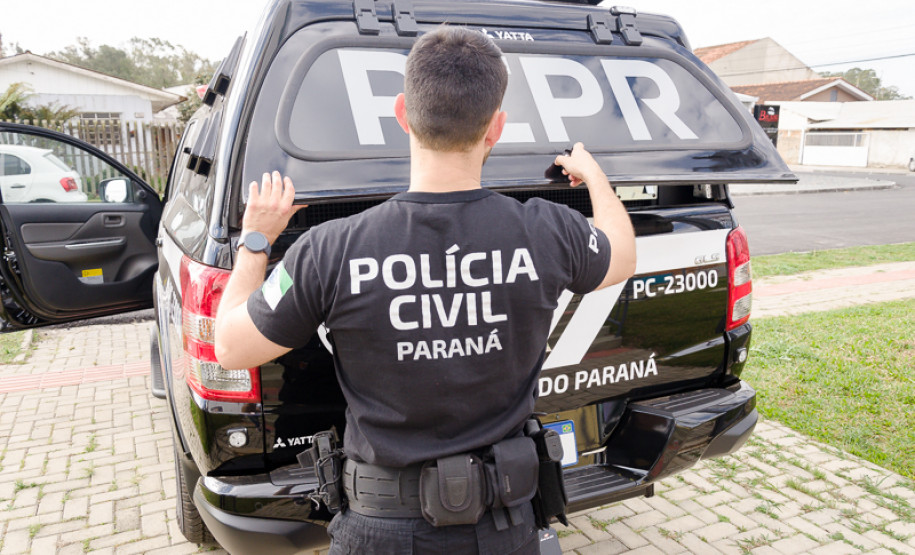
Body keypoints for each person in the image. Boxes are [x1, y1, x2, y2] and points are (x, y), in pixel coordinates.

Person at [214, 26, 636, 555]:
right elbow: (621, 253)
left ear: (402, 114)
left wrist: (256, 242)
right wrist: (595, 178)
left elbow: (230, 347)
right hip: (506, 527)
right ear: (496, 128)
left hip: (382, 531)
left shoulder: (330, 248)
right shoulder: (546, 230)